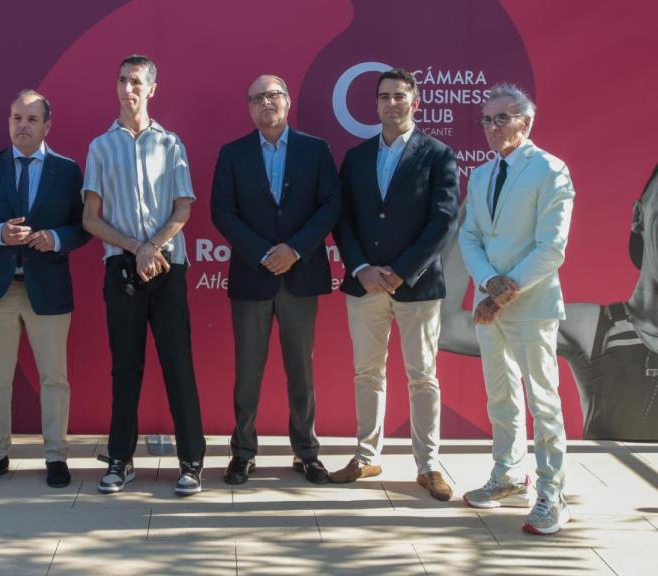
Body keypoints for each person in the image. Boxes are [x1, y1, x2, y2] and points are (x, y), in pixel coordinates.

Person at [440, 166, 658, 443]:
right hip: (607, 474)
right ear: (639, 214)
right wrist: (475, 205)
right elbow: (446, 326)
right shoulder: (592, 328)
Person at [329, 68, 459, 501]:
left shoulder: (438, 154)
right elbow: (342, 219)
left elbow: (443, 220)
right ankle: (366, 456)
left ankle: (428, 465)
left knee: (422, 376)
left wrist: (403, 270)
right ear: (376, 104)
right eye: (384, 97)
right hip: (365, 285)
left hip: (416, 286)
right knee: (367, 372)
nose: (391, 103)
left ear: (415, 102)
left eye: (400, 96)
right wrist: (361, 267)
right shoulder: (356, 157)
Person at [82, 55, 207, 496]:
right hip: (123, 269)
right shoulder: (100, 147)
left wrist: (154, 246)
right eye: (121, 80)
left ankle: (191, 461)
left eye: (136, 81)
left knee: (178, 366)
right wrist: (137, 248)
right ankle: (120, 459)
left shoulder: (171, 144)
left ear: (152, 88)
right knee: (126, 368)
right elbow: (91, 219)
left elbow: (184, 207)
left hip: (168, 267)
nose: (127, 87)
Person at [210, 75, 341, 486]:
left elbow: (330, 206)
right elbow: (222, 211)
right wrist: (264, 253)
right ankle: (243, 452)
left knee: (301, 369)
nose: (265, 102)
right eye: (256, 98)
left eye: (272, 95)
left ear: (286, 101)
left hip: (301, 276)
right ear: (249, 107)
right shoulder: (232, 154)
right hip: (253, 275)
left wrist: (295, 249)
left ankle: (306, 453)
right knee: (248, 370)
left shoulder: (315, 150)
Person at [0, 90, 88, 488]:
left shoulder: (67, 170)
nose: (22, 126)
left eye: (31, 119)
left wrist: (56, 238)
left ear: (48, 125)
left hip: (47, 288)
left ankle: (55, 456)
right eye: (16, 118)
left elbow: (84, 226)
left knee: (54, 379)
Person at [458, 83, 575, 535]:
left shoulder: (550, 169)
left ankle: (553, 493)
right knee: (501, 396)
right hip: (491, 306)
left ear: (525, 123)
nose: (491, 127)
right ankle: (508, 476)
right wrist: (487, 283)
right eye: (486, 120)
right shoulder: (482, 175)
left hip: (532, 306)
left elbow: (552, 247)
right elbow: (469, 236)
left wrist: (502, 292)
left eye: (501, 118)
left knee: (543, 401)